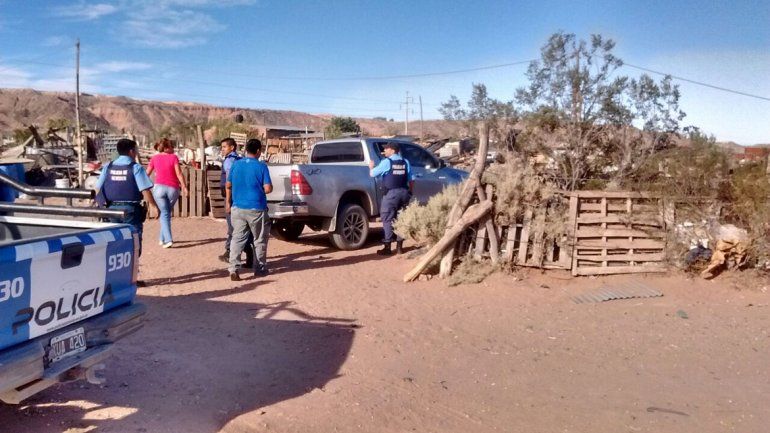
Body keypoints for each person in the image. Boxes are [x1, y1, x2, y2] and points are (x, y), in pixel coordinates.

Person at [95, 138, 158, 256]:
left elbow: (97, 188)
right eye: (136, 150)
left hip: (111, 210)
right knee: (133, 240)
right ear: (131, 151)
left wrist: (98, 205)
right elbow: (145, 189)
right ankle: (133, 267)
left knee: (114, 239)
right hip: (131, 210)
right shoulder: (136, 168)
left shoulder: (108, 166)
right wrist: (153, 206)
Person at [226, 138, 272, 281]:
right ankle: (260, 268)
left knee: (237, 238)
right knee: (259, 239)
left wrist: (230, 200)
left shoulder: (236, 164)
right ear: (258, 151)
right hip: (256, 208)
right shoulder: (261, 166)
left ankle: (233, 268)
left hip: (238, 207)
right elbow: (268, 188)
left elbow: (228, 184)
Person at [369, 142, 413, 255]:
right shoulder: (405, 162)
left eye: (387, 149)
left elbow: (373, 174)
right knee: (401, 219)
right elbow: (411, 179)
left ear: (393, 150)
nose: (385, 151)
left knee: (387, 218)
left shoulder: (387, 162)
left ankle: (387, 247)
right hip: (404, 192)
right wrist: (410, 192)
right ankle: (399, 248)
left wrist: (371, 167)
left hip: (391, 194)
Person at [218, 138, 253, 266]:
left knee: (234, 227)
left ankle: (231, 253)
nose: (222, 149)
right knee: (241, 226)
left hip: (232, 197)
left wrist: (228, 201)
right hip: (240, 196)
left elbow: (229, 183)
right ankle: (249, 255)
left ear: (232, 147)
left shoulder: (229, 161)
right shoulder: (240, 160)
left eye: (224, 147)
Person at [146, 138, 188, 248]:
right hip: (173, 189)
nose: (173, 149)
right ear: (166, 148)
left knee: (164, 213)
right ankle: (165, 239)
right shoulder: (174, 158)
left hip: (159, 188)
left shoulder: (154, 158)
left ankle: (166, 239)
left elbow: (147, 174)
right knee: (166, 213)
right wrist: (184, 186)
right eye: (171, 146)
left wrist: (146, 186)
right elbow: (179, 173)